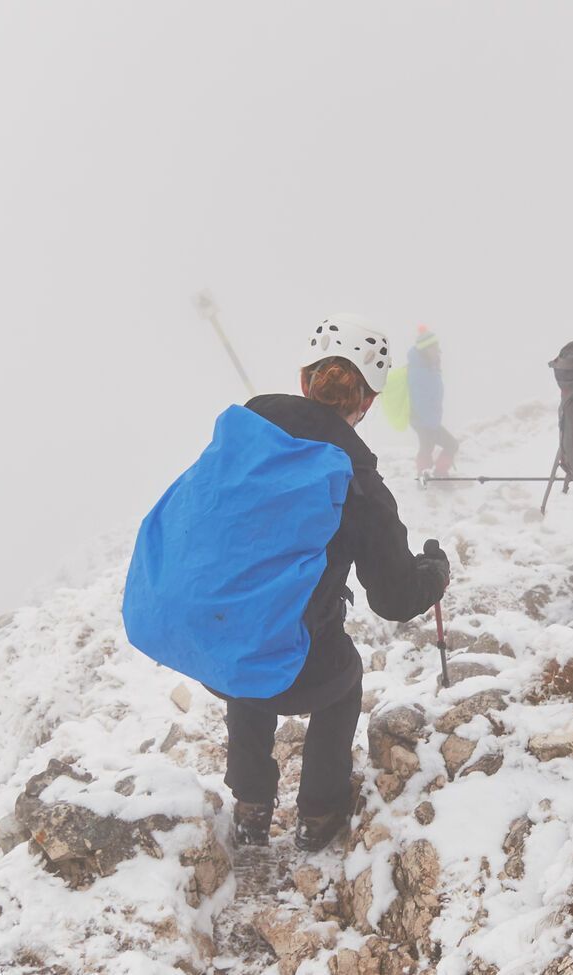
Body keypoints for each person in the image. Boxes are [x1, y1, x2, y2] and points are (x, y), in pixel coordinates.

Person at [123, 313, 450, 853]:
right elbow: (394, 599)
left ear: (304, 379)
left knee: (256, 641)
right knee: (341, 677)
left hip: (204, 647)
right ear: (366, 402)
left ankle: (251, 806)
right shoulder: (356, 480)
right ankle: (320, 815)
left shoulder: (244, 432)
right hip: (282, 667)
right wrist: (434, 573)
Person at [407, 326, 459, 476]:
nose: (437, 351)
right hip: (424, 421)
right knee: (451, 444)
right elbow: (419, 401)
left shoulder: (428, 367)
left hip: (427, 420)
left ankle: (425, 475)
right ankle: (437, 474)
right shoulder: (419, 371)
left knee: (427, 447)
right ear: (425, 350)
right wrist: (430, 424)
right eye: (434, 348)